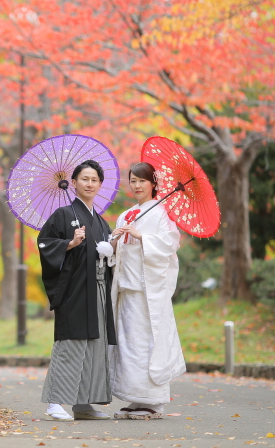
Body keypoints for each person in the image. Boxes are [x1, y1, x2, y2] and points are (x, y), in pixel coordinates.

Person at [37, 159, 116, 421]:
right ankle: (56, 401)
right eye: (85, 179)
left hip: (98, 289)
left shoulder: (102, 223)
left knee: (95, 345)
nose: (90, 183)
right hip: (74, 290)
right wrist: (70, 243)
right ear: (73, 183)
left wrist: (110, 251)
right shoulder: (63, 215)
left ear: (100, 185)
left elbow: (106, 258)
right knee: (71, 343)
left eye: (94, 180)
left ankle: (83, 404)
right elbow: (45, 244)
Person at [109, 162, 186, 420]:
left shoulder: (163, 212)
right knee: (129, 344)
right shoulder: (126, 214)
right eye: (132, 181)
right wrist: (114, 241)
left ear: (153, 183)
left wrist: (143, 237)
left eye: (142, 180)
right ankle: (135, 398)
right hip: (127, 288)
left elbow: (170, 243)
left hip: (147, 290)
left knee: (147, 344)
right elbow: (117, 254)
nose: (137, 185)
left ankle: (153, 401)